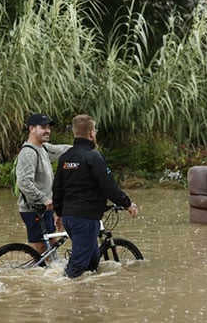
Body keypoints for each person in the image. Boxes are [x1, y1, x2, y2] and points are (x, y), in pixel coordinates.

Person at [52, 114, 138, 278]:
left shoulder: (65, 157)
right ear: (91, 133)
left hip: (70, 218)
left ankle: (87, 298)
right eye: (95, 130)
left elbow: (58, 188)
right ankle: (61, 296)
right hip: (85, 218)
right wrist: (128, 204)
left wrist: (59, 213)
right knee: (76, 267)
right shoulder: (93, 157)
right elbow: (109, 186)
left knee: (92, 263)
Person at [16, 113, 71, 255]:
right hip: (34, 209)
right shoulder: (28, 152)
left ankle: (44, 276)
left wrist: (83, 148)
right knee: (38, 252)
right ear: (32, 129)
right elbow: (24, 182)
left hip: (45, 209)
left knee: (51, 251)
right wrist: (43, 199)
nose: (48, 130)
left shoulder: (44, 148)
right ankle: (26, 276)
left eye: (48, 127)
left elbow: (63, 150)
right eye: (43, 127)